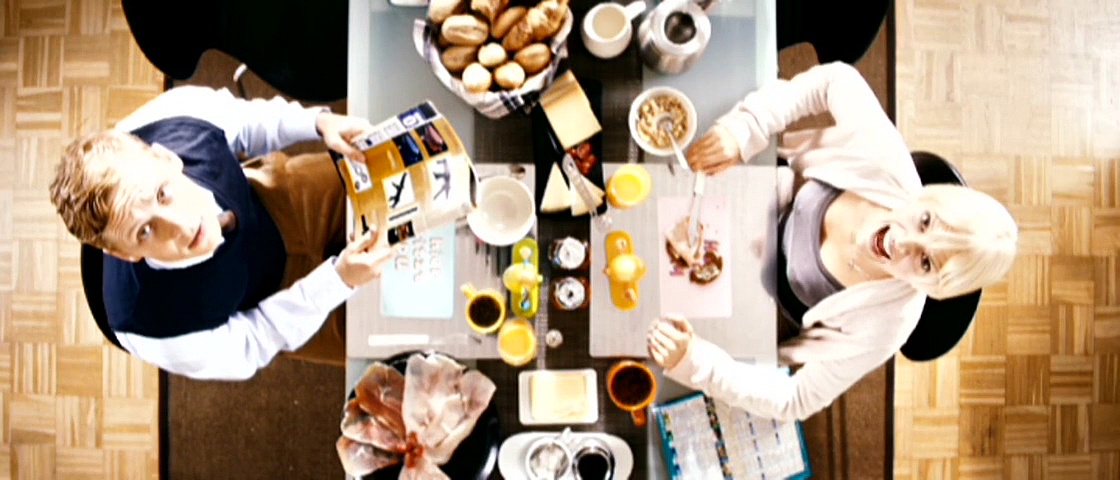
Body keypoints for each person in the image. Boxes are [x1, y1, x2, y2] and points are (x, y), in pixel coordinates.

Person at [646, 62, 1019, 422]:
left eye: (926, 262)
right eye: (925, 221)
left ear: (932, 289)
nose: (901, 241)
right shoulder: (888, 162)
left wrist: (697, 363)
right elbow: (836, 80)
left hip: (754, 301)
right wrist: (748, 127)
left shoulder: (888, 326)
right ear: (927, 196)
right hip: (748, 190)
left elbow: (796, 400)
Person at [49, 86, 391, 381]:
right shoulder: (153, 330)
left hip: (277, 197)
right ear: (125, 254)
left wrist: (319, 123)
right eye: (145, 231)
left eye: (162, 194)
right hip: (274, 306)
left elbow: (250, 122)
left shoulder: (177, 116)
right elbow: (254, 341)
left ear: (166, 157)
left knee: (405, 183)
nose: (183, 226)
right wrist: (337, 281)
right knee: (406, 339)